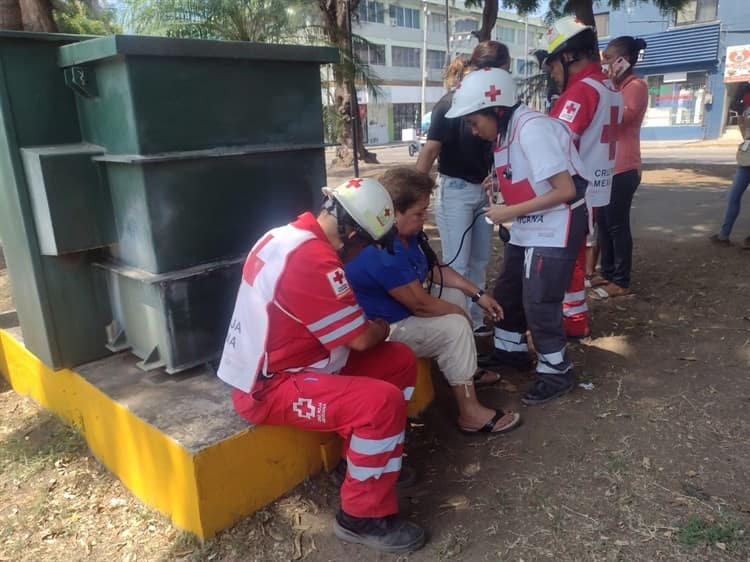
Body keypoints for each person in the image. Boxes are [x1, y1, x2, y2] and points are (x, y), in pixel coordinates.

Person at [216, 178, 425, 553]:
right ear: (351, 233)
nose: (362, 254)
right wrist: (379, 325)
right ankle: (361, 516)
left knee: (398, 362)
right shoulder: (314, 260)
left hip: (299, 363)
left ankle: (361, 467)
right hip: (272, 386)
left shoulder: (287, 237)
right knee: (381, 402)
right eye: (366, 244)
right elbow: (361, 338)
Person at [446, 67, 589, 405]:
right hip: (529, 222)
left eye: (473, 121)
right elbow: (522, 174)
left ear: (496, 109)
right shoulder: (504, 133)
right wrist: (498, 184)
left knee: (539, 298)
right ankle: (510, 351)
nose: (473, 130)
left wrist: (508, 212)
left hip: (556, 224)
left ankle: (557, 371)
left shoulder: (532, 128)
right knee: (509, 290)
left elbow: (565, 189)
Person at [345, 166, 521, 434]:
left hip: (401, 313)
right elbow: (420, 304)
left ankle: (465, 370)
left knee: (454, 295)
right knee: (455, 325)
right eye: (418, 213)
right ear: (392, 212)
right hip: (384, 328)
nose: (424, 217)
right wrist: (460, 316)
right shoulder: (381, 250)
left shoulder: (404, 235)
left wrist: (478, 294)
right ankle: (470, 413)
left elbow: (432, 268)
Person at [416, 41, 511, 336]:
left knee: (480, 260)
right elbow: (430, 151)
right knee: (457, 264)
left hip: (484, 192)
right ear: (487, 70)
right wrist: (412, 196)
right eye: (503, 71)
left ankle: (476, 322)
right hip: (455, 191)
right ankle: (457, 326)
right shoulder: (450, 103)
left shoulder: (495, 105)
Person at [537, 17, 623, 337]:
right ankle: (574, 318)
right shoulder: (609, 85)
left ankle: (572, 322)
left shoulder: (579, 93)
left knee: (567, 261)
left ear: (569, 56)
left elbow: (552, 147)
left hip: (575, 190)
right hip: (597, 188)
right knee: (576, 256)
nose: (552, 74)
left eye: (552, 66)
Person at [593, 36, 649, 297]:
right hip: (607, 167)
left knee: (617, 224)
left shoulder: (635, 86)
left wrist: (608, 89)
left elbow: (621, 118)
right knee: (603, 223)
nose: (604, 63)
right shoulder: (615, 87)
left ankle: (622, 280)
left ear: (622, 61)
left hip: (624, 168)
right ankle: (607, 273)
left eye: (608, 58)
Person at [711, 87, 750, 248]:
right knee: (733, 195)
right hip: (746, 158)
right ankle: (724, 235)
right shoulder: (746, 107)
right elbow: (745, 134)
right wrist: (742, 122)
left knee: (734, 195)